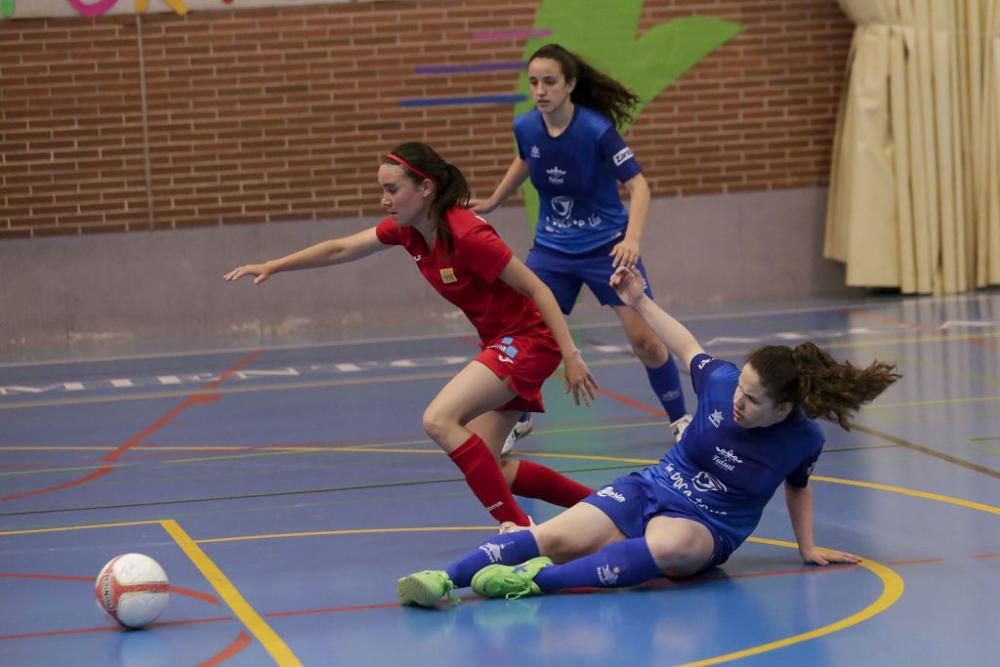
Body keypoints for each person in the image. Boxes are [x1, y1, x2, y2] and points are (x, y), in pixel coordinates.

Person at [396, 265, 901, 607]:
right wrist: (637, 299)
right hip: (652, 487)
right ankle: (445, 579)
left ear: (785, 409)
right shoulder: (722, 382)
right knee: (555, 535)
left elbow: (799, 485)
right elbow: (684, 343)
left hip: (708, 524)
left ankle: (531, 584)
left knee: (671, 544)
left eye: (751, 401)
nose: (737, 404)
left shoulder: (802, 439)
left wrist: (807, 547)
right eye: (739, 390)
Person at [224, 142, 599, 527]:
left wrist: (571, 355)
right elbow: (342, 248)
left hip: (528, 341)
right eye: (382, 190)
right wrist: (274, 265)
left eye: (392, 189)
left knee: (439, 419)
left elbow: (538, 289)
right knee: (489, 468)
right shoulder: (410, 232)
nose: (385, 200)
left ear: (426, 188)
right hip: (502, 342)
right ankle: (607, 508)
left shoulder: (468, 235)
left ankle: (517, 529)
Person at [471, 43, 691, 453]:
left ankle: (680, 418)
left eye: (550, 82)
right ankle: (519, 420)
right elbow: (526, 160)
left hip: (607, 247)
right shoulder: (526, 127)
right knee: (524, 337)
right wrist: (495, 200)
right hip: (552, 250)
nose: (540, 90)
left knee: (647, 342)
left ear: (570, 85)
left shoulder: (596, 130)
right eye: (534, 82)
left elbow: (639, 185)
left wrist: (632, 239)